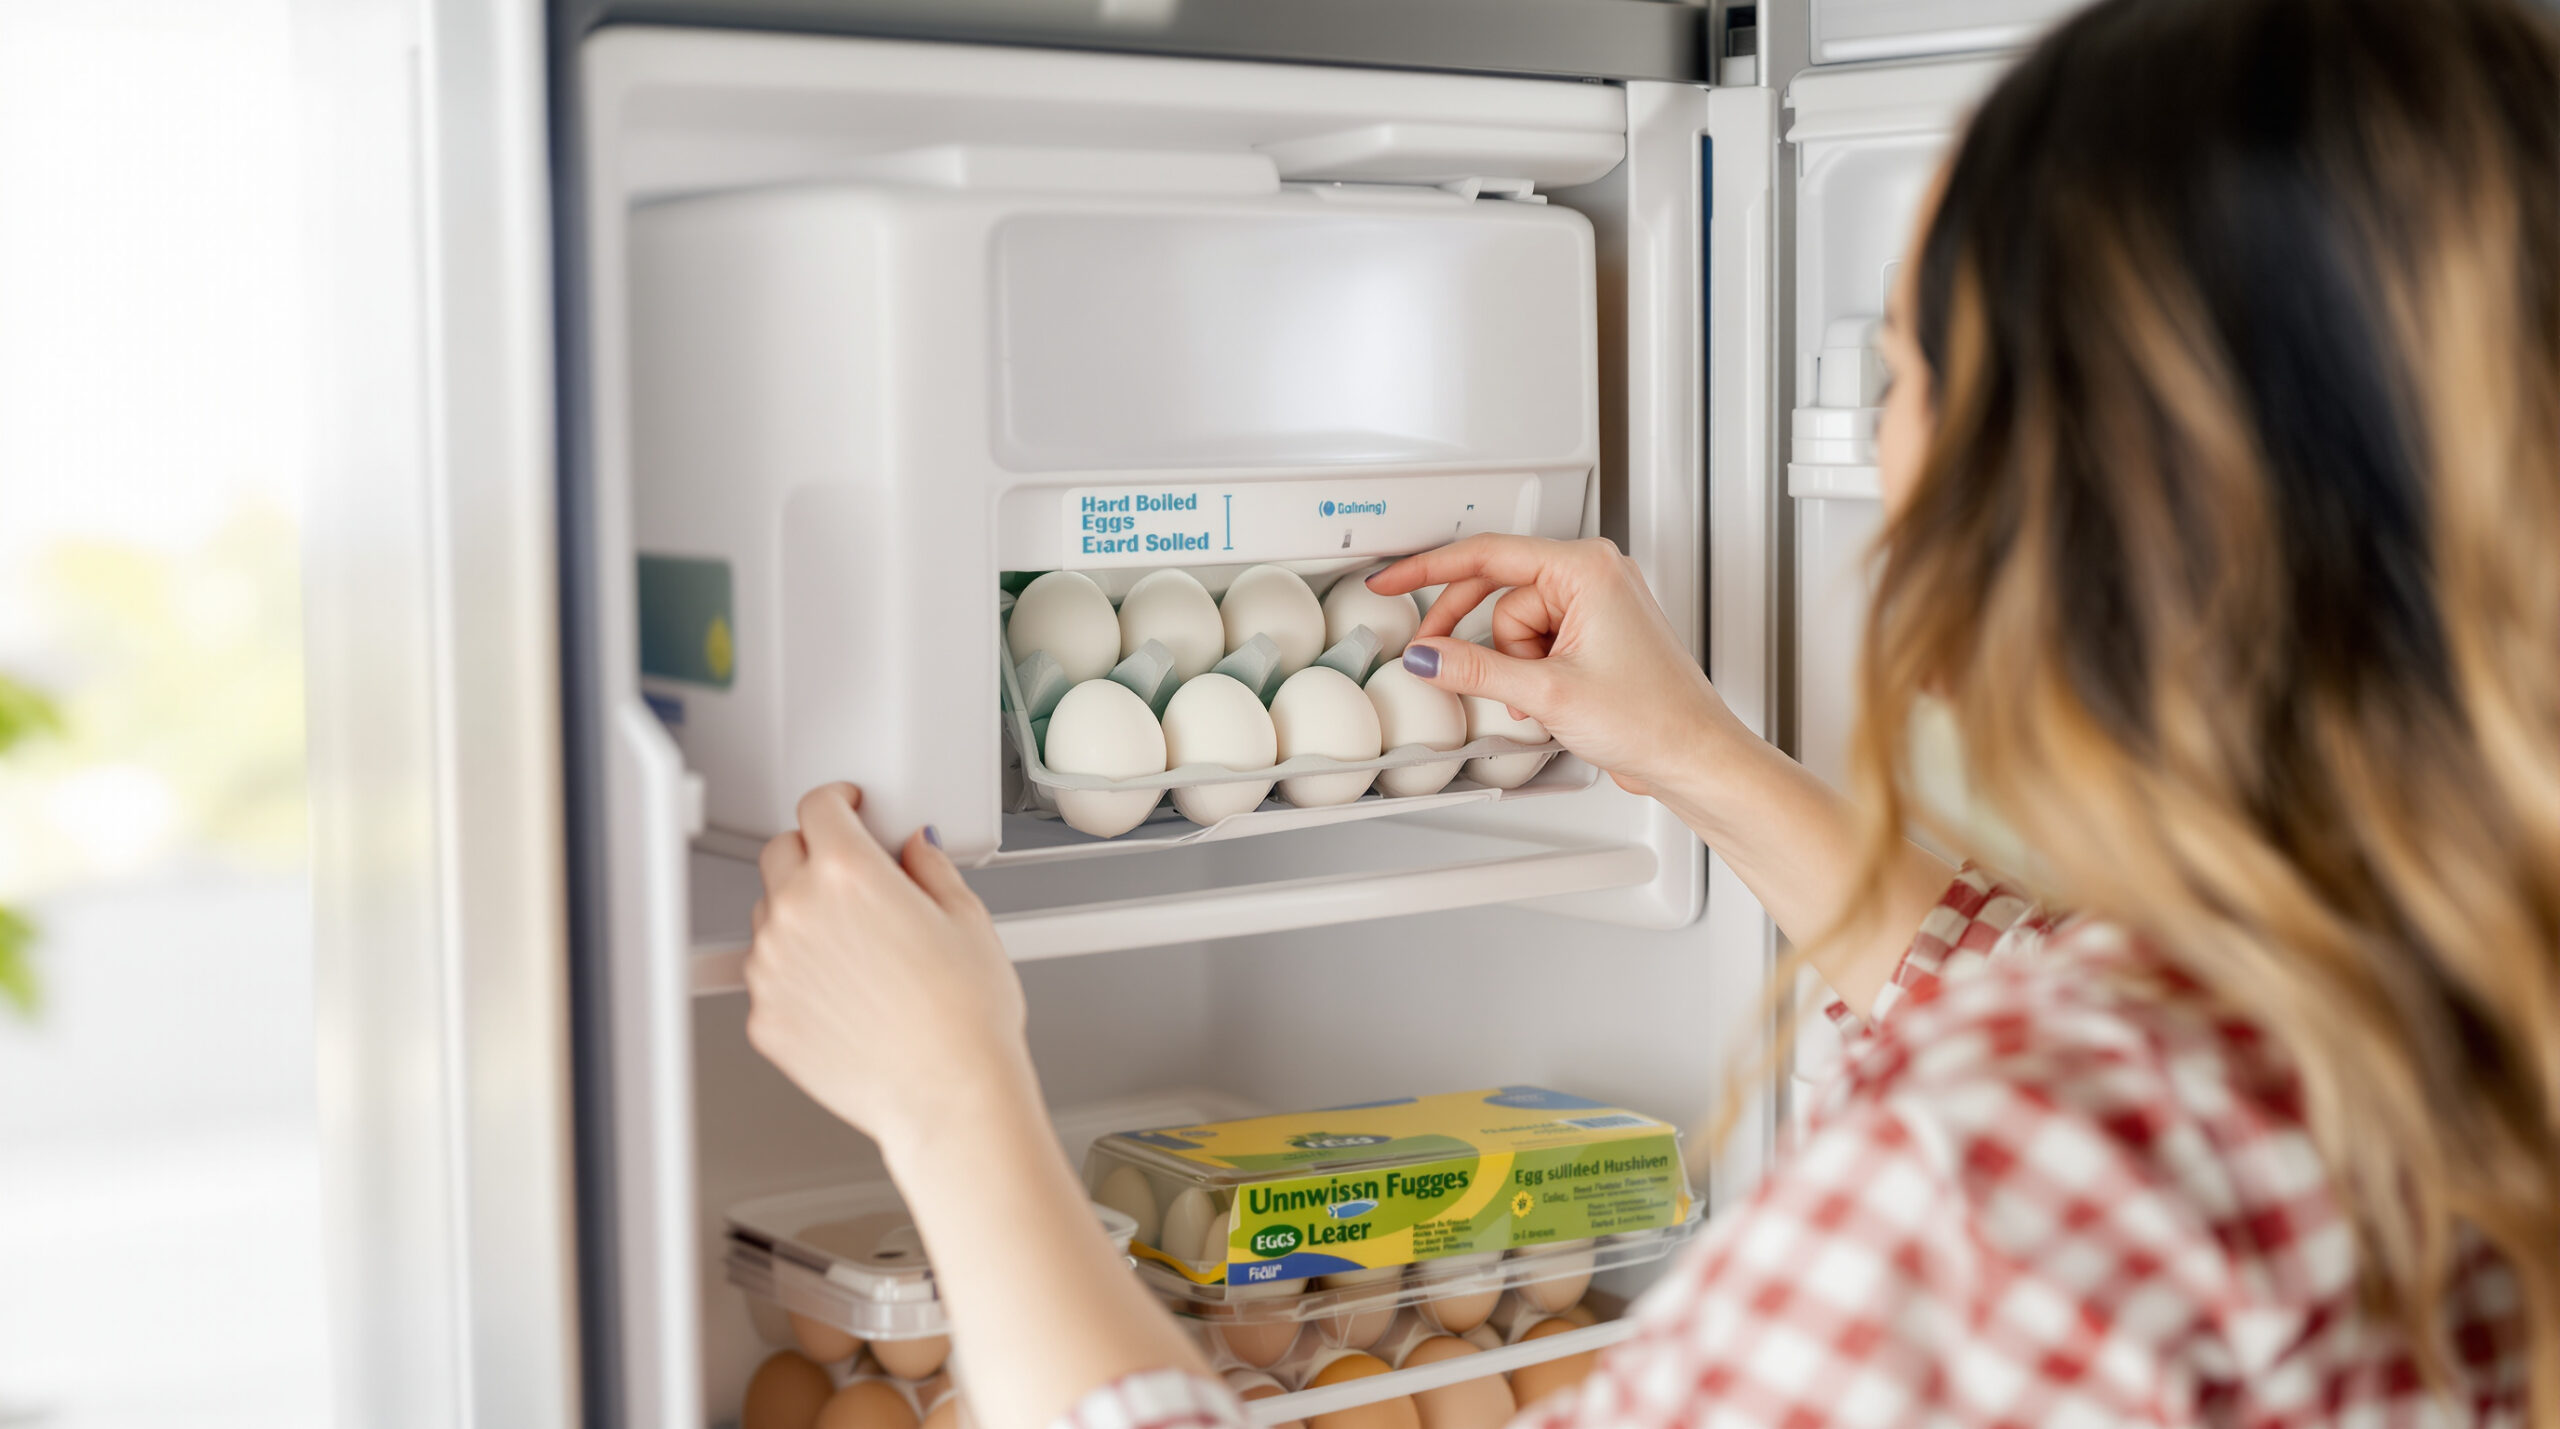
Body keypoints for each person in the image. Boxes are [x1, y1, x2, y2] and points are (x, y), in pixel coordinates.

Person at [739, 0, 2558, 1422]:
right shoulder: (2453, 991)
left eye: (1910, 367)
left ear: (2078, 485)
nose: (1889, 436)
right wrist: (1691, 751)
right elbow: (2090, 1004)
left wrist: (952, 1100)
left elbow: (2066, 1101)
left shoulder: (2007, 1171)